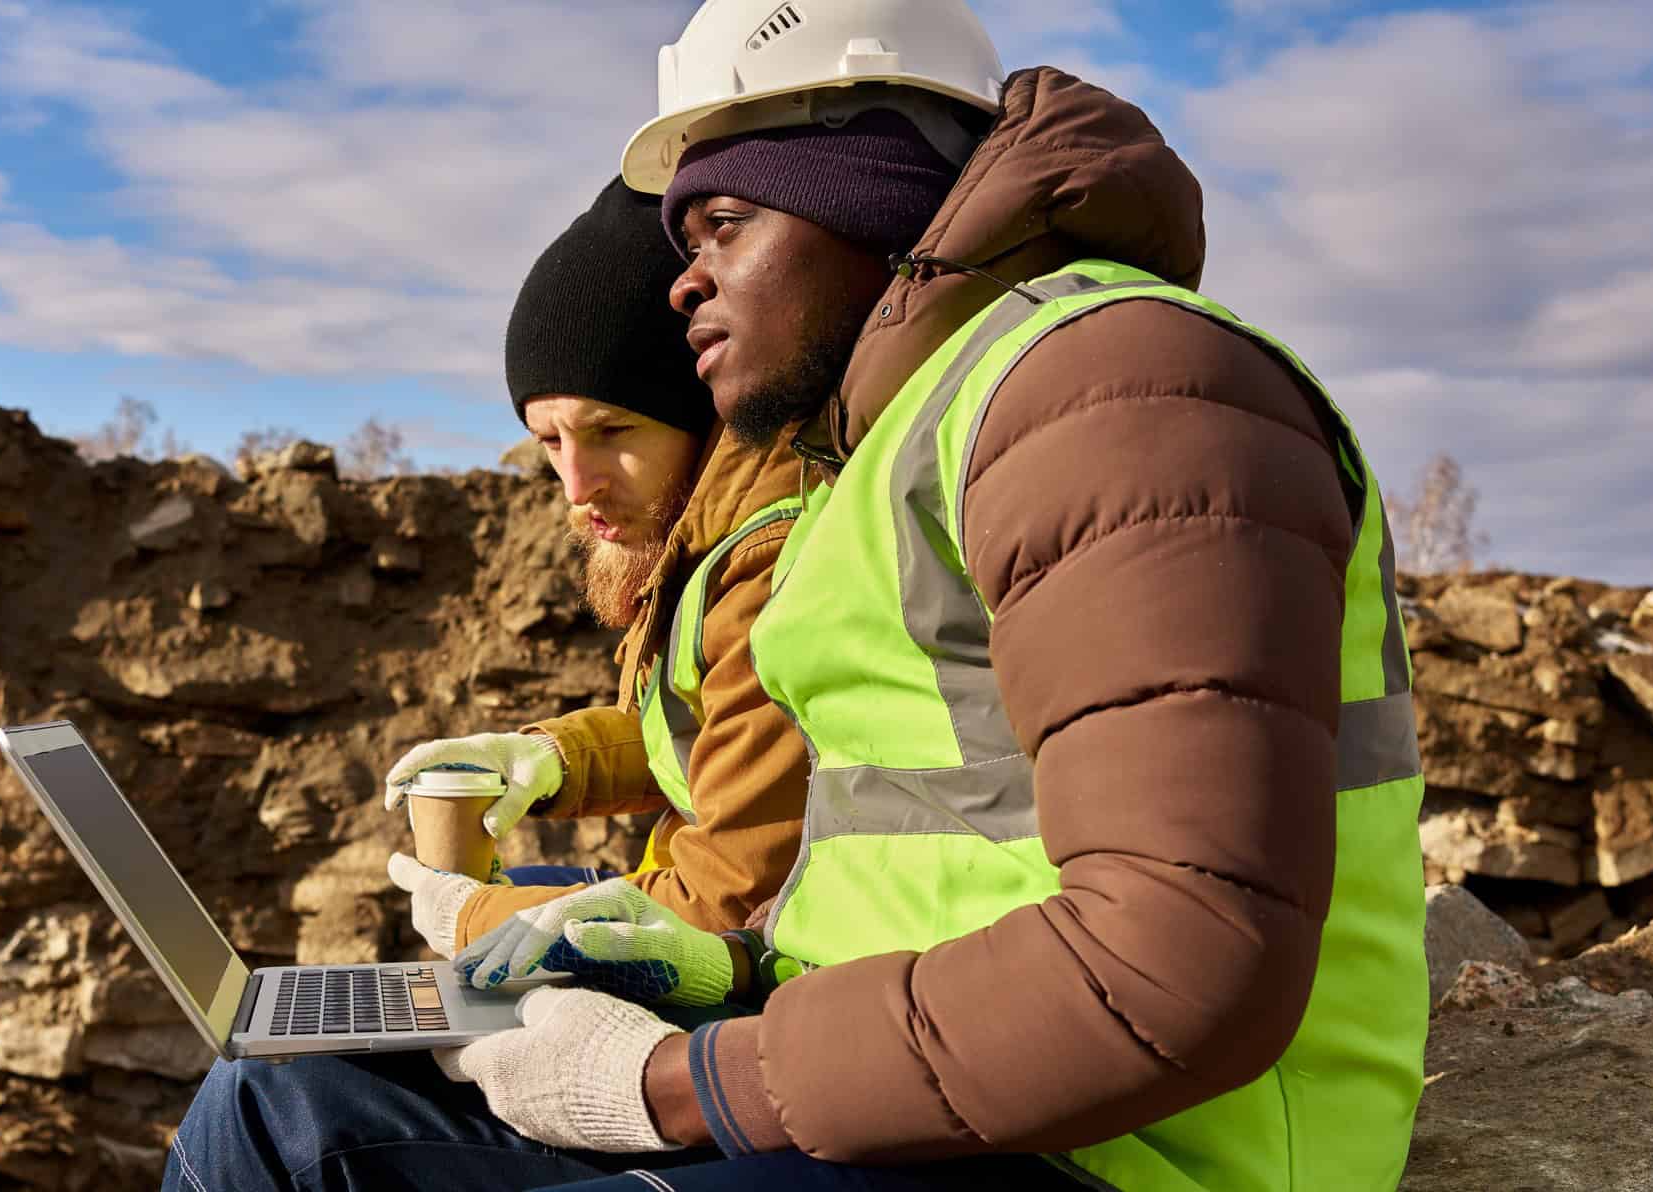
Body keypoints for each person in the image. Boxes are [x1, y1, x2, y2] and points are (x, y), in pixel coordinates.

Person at [163, 1, 1428, 1188]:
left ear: (865, 196)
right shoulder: (884, 454)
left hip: (1121, 1152)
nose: (682, 282)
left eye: (721, 224)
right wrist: (722, 963)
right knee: (280, 1100)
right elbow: (924, 857)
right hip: (907, 1089)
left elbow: (1173, 968)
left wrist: (664, 1080)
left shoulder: (1112, 385)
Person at [375, 178, 811, 981]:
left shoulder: (769, 558)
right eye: (549, 442)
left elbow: (722, 904)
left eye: (611, 430)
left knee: (267, 1086)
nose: (578, 487)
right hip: (711, 923)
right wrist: (548, 757)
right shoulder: (692, 539)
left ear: (705, 409)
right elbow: (702, 738)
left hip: (748, 962)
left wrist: (467, 915)